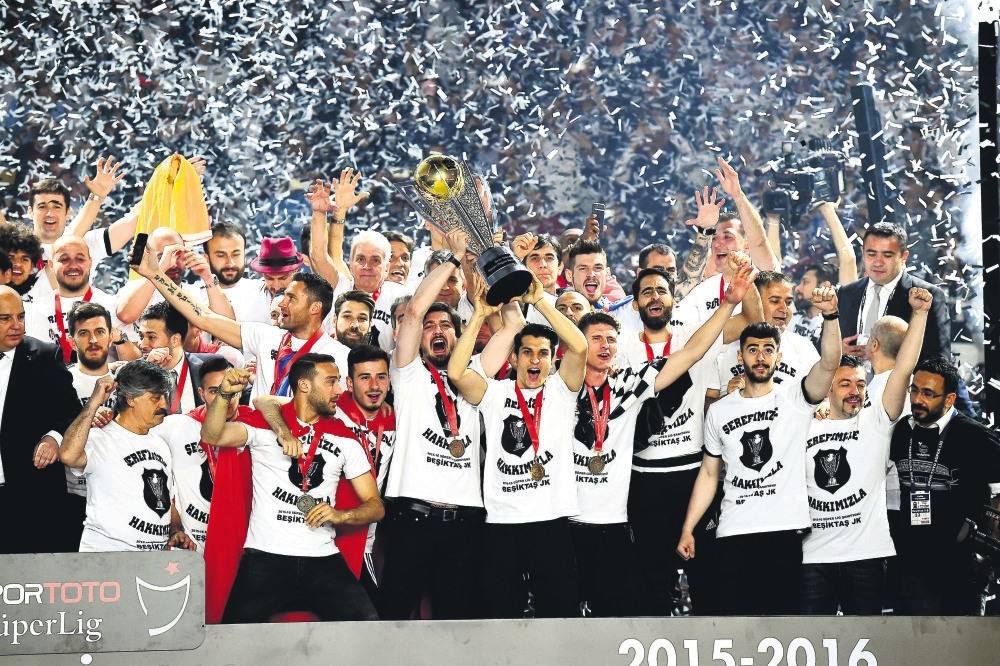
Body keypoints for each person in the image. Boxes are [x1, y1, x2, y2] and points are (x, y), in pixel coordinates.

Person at [568, 261, 756, 617]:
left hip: (691, 476)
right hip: (639, 486)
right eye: (597, 340)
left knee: (707, 576)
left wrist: (730, 302)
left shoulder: (629, 381)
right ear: (634, 304)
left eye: (609, 340)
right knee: (651, 584)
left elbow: (692, 352)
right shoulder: (566, 385)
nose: (605, 346)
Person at [676, 282, 842, 615]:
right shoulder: (720, 411)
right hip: (734, 531)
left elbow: (829, 363)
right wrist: (688, 527)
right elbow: (708, 474)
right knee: (738, 628)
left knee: (783, 628)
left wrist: (831, 317)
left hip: (784, 531)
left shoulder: (796, 398)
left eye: (768, 350)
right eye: (753, 349)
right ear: (740, 356)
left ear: (778, 357)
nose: (761, 357)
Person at [448, 274, 588, 618]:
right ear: (514, 359)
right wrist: (479, 315)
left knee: (559, 615)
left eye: (543, 354)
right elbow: (457, 373)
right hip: (502, 524)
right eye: (527, 353)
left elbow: (580, 347)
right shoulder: (495, 394)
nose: (535, 360)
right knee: (499, 615)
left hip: (550, 522)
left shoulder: (561, 391)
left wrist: (539, 301)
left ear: (553, 361)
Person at [201, 358, 382, 622]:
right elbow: (212, 435)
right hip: (265, 556)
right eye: (331, 382)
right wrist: (225, 395)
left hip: (322, 556)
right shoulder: (264, 428)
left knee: (368, 626)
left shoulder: (345, 438)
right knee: (233, 637)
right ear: (304, 385)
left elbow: (376, 506)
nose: (339, 390)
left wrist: (342, 515)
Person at [800, 287, 931, 615]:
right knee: (812, 637)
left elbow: (904, 368)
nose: (855, 391)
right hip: (813, 556)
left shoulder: (877, 420)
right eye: (845, 384)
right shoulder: (803, 425)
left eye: (860, 384)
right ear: (827, 389)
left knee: (868, 639)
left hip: (865, 556)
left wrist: (919, 314)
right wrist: (830, 316)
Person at [132, 244, 341, 398]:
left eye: (291, 298)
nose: (282, 303)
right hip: (259, 440)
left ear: (315, 308)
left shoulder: (338, 356)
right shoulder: (266, 336)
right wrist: (155, 274)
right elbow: (204, 318)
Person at [889, 357, 1000, 615]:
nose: (918, 399)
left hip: (961, 571)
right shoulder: (901, 431)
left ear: (949, 399)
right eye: (914, 390)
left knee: (962, 641)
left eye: (928, 393)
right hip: (911, 568)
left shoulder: (973, 435)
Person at [58, 360, 197, 552]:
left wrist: (176, 530)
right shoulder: (101, 437)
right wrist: (94, 404)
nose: (164, 404)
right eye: (156, 398)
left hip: (151, 560)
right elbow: (67, 455)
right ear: (131, 399)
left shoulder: (160, 444)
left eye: (165, 397)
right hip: (108, 556)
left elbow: (164, 499)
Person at [0, 285, 82, 553]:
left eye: (20, 316)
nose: (16, 325)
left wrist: (54, 438)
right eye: (5, 318)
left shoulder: (45, 356)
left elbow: (72, 410)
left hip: (32, 497)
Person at [307, 174, 410, 352]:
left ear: (387, 268)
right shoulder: (339, 287)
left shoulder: (401, 297)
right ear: (351, 264)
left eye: (375, 260)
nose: (367, 266)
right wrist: (319, 213)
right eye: (360, 259)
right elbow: (318, 255)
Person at [837, 222, 950, 364]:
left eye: (887, 255)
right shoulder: (846, 293)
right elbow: (822, 349)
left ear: (904, 256)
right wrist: (837, 353)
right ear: (863, 253)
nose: (878, 262)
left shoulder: (928, 296)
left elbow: (939, 361)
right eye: (871, 254)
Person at [708, 271, 818, 400]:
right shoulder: (721, 347)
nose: (784, 309)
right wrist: (729, 398)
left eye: (788, 303)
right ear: (755, 302)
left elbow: (823, 398)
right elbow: (703, 406)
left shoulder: (804, 348)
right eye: (775, 301)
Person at [23, 235, 135, 363]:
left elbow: (136, 362)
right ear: (51, 264)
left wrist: (120, 340)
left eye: (80, 259)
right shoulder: (36, 309)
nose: (73, 265)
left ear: (90, 262)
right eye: (64, 259)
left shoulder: (111, 305)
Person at [116, 226, 235, 325]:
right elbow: (126, 316)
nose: (172, 264)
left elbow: (229, 327)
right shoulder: (133, 289)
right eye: (162, 257)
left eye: (178, 256)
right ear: (148, 257)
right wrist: (157, 271)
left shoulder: (198, 293)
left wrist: (208, 277)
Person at [136, 302, 225, 414]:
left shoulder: (213, 367)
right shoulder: (131, 374)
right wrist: (147, 373)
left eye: (151, 337)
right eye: (141, 336)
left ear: (175, 340)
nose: (142, 345)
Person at [196, 221, 273, 323]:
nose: (230, 263)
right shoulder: (192, 294)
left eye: (236, 254)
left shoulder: (266, 290)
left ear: (244, 255)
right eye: (221, 255)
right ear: (207, 259)